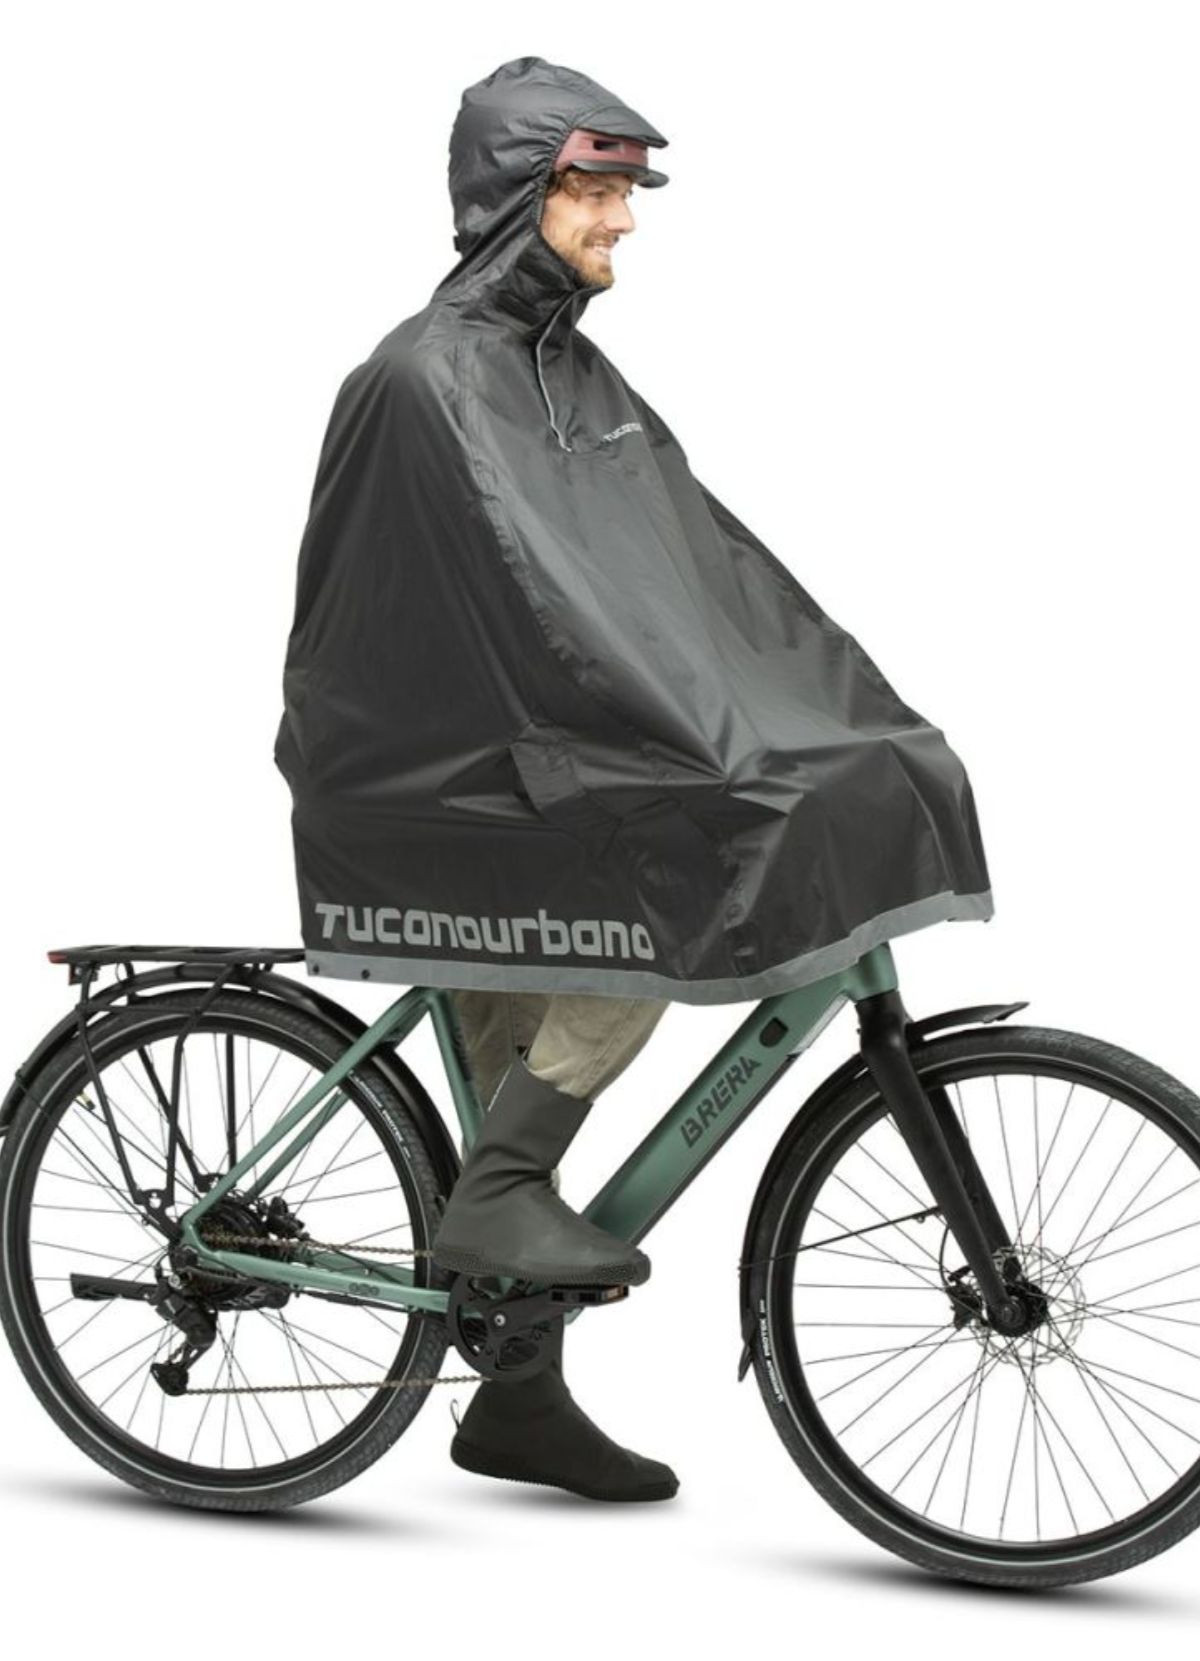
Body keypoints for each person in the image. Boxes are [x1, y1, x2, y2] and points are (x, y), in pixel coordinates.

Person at [429, 90, 679, 1504]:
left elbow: (690, 579)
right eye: (596, 191)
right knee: (649, 927)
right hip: (456, 798)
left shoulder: (566, 379)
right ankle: (501, 1193)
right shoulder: (431, 377)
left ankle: (515, 1402)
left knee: (512, 1075)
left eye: (629, 192)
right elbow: (504, 612)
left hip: (531, 779)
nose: (624, 219)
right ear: (521, 196)